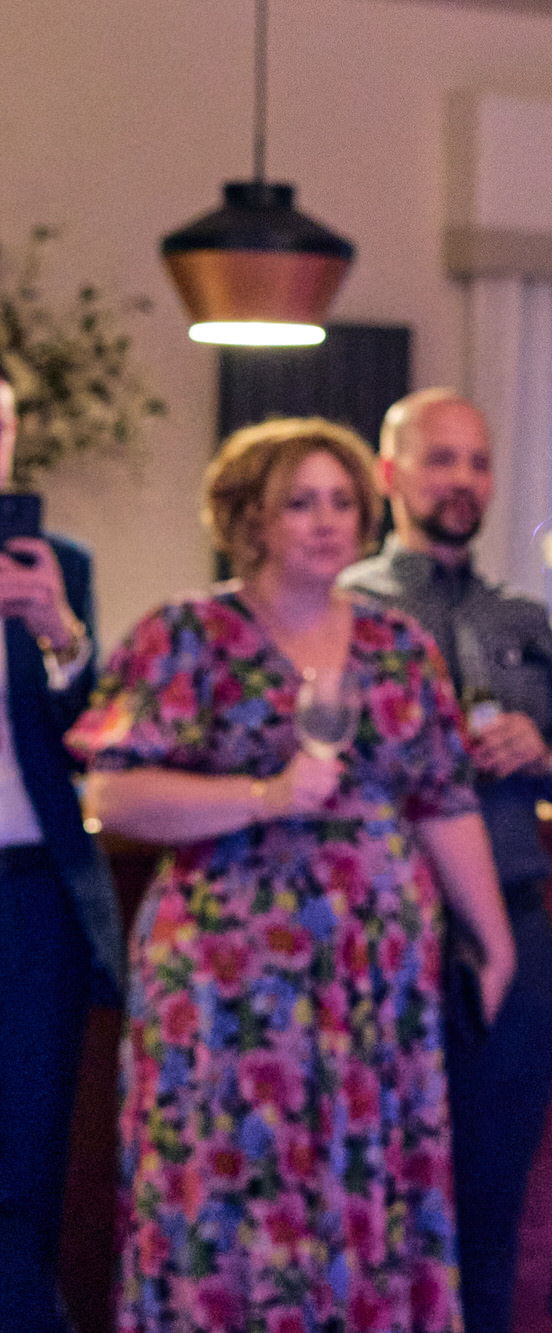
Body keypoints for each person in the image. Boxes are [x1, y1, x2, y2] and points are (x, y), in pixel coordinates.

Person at [68, 417, 515, 1332]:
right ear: (251, 518)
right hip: (227, 974)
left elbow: (444, 798)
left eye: (342, 501)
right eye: (299, 502)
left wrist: (495, 941)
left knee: (365, 1176)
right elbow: (114, 795)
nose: (325, 520)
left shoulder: (399, 648)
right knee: (225, 1175)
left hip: (372, 975)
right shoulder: (186, 634)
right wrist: (264, 794)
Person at [339, 388, 552, 1333]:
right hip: (384, 929)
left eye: (477, 462)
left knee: (496, 1197)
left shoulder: (518, 615)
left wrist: (540, 746)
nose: (462, 481)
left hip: (521, 927)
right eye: (440, 459)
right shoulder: (344, 609)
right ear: (389, 472)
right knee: (380, 1193)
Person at [0, 358, 122, 1333]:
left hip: (33, 887)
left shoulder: (57, 561)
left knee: (31, 1143)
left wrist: (62, 634)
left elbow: (95, 725)